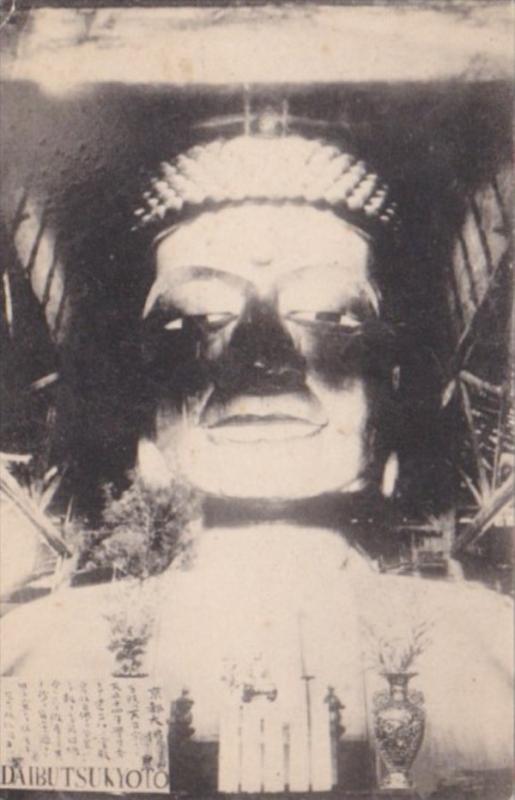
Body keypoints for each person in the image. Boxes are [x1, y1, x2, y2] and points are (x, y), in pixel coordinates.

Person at [1, 108, 512, 798]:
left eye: (328, 316)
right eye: (200, 317)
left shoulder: (490, 647)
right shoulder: (44, 650)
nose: (264, 356)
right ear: (145, 396)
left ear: (390, 385)